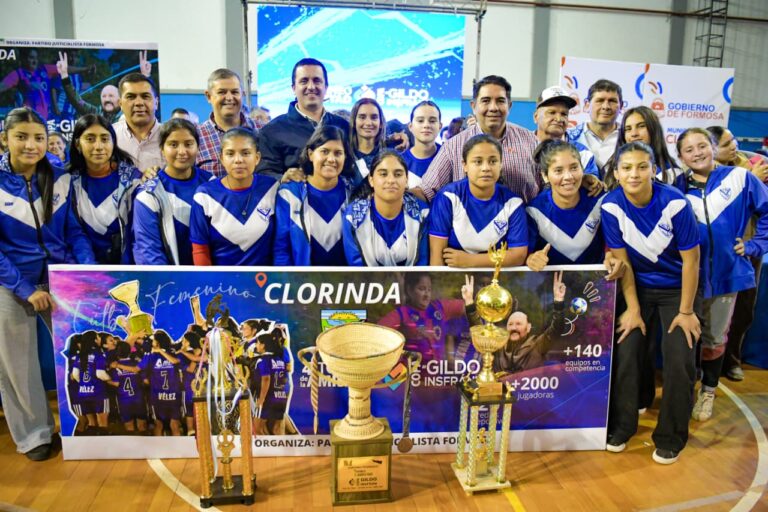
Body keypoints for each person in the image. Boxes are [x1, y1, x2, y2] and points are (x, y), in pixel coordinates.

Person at [0, 107, 95, 460]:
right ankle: (34, 435)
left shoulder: (61, 177)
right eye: (21, 137)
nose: (31, 145)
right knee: (17, 364)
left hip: (60, 277)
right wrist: (25, 289)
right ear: (4, 139)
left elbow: (73, 230)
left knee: (82, 352)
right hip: (11, 281)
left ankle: (88, 424)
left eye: (38, 138)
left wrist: (85, 269)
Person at [601, 141, 701, 465]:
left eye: (642, 167)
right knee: (626, 349)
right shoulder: (610, 206)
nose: (634, 174)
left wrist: (686, 311)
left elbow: (692, 262)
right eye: (627, 168)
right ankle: (622, 426)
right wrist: (632, 309)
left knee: (679, 358)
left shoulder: (675, 203)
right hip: (638, 288)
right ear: (617, 173)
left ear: (654, 170)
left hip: (678, 291)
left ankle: (671, 436)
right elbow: (623, 263)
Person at [678, 128, 768, 421]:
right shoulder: (677, 187)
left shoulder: (740, 178)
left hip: (727, 275)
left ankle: (708, 391)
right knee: (687, 338)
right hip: (687, 279)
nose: (697, 153)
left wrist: (755, 245)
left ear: (712, 147)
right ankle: (686, 388)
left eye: (702, 146)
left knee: (715, 337)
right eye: (689, 149)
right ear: (681, 157)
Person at [416, 75, 540, 203]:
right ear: (473, 106)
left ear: (509, 106)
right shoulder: (453, 146)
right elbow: (426, 191)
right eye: (486, 101)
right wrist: (404, 195)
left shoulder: (531, 142)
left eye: (500, 101)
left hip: (520, 215)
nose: (493, 108)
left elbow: (547, 190)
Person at [707, 126, 768, 382]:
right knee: (711, 314)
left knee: (743, 309)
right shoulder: (704, 174)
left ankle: (732, 360)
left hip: (747, 250)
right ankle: (703, 364)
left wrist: (756, 245)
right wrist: (750, 178)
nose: (734, 146)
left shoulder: (755, 163)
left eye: (733, 139)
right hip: (715, 254)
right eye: (726, 144)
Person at [525, 140, 623, 278]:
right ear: (545, 176)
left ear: (582, 169)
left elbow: (612, 244)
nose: (568, 177)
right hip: (551, 285)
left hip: (598, 284)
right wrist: (531, 259)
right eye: (558, 171)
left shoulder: (601, 200)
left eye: (574, 168)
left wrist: (610, 255)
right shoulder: (534, 211)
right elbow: (526, 255)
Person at [429, 134, 528, 268]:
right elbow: (436, 258)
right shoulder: (448, 197)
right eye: (478, 162)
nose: (486, 168)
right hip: (452, 277)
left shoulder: (513, 203)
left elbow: (518, 256)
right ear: (465, 165)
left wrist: (470, 260)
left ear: (501, 164)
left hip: (499, 278)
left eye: (493, 161)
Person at [190, 128, 279, 265]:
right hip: (221, 278)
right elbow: (200, 250)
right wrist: (208, 278)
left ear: (257, 158)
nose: (238, 160)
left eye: (246, 153)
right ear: (221, 158)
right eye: (230, 154)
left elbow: (281, 244)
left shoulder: (272, 187)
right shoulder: (204, 195)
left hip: (265, 277)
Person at [133, 118, 212, 265]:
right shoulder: (149, 194)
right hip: (168, 277)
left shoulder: (212, 184)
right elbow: (149, 253)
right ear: (162, 149)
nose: (182, 151)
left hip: (212, 277)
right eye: (173, 144)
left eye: (188, 144)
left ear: (198, 147)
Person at [256, 58, 350, 179]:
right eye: (304, 81)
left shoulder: (342, 126)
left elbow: (351, 169)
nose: (311, 87)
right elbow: (264, 174)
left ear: (326, 87)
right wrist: (283, 179)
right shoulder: (272, 131)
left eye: (317, 81)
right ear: (293, 88)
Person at [68, 114, 143, 264]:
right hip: (84, 268)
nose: (98, 147)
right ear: (77, 144)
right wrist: (90, 269)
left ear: (113, 142)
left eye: (105, 139)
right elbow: (73, 232)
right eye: (90, 139)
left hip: (128, 268)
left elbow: (138, 234)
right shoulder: (68, 182)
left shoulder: (133, 180)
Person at [274, 125, 353, 266]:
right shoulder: (289, 194)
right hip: (301, 279)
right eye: (324, 151)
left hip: (347, 279)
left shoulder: (352, 194)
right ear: (310, 154)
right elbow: (281, 250)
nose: (331, 159)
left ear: (345, 157)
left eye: (338, 153)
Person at [343, 150, 430, 266]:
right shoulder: (353, 216)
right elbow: (357, 267)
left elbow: (422, 264)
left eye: (398, 174)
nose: (391, 180)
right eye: (383, 174)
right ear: (371, 180)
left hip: (414, 278)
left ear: (406, 180)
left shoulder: (422, 213)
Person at [378, 272, 473, 362]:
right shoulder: (401, 314)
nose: (427, 295)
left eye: (429, 290)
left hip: (438, 372)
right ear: (409, 290)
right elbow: (377, 333)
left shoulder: (439, 307)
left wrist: (469, 298)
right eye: (422, 289)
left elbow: (469, 307)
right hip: (413, 372)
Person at [489, 272, 566, 374]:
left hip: (532, 384)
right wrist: (470, 305)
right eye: (510, 324)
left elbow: (556, 329)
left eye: (518, 324)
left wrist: (558, 302)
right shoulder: (498, 347)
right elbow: (480, 333)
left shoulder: (538, 345)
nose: (514, 328)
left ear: (528, 327)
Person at [533, 86, 602, 184]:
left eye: (564, 114)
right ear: (536, 117)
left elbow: (591, 189)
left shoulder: (582, 153)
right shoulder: (521, 147)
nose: (558, 119)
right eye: (552, 112)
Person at [196, 69, 257, 178]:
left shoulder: (262, 130)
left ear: (242, 94)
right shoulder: (196, 137)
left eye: (235, 92)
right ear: (208, 96)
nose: (229, 98)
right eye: (222, 92)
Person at [606, 106, 684, 190]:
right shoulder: (611, 167)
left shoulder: (673, 173)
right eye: (628, 129)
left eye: (641, 126)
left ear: (654, 129)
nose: (634, 134)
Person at [568, 79, 623, 170]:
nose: (606, 107)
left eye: (612, 101)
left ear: (621, 106)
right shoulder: (569, 137)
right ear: (587, 105)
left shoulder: (629, 137)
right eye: (600, 101)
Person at [55, 51, 123, 124]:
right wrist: (64, 75)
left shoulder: (126, 117)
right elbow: (77, 101)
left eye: (111, 96)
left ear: (119, 99)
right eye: (104, 96)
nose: (107, 99)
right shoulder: (95, 113)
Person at [113, 73, 164, 170]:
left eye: (145, 96)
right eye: (131, 97)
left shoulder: (171, 137)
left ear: (156, 103)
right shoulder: (110, 136)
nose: (139, 103)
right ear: (120, 104)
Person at [140, 330, 182, 436]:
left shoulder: (162, 354)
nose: (152, 342)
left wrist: (159, 351)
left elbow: (175, 361)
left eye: (153, 340)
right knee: (162, 424)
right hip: (167, 395)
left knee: (170, 424)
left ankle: (165, 446)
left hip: (163, 395)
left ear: (158, 342)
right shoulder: (155, 355)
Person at [72, 330, 114, 435]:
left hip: (83, 393)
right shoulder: (98, 354)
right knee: (102, 423)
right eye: (98, 337)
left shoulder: (80, 355)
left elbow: (75, 374)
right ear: (94, 340)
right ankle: (103, 443)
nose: (100, 339)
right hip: (98, 393)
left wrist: (84, 384)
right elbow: (100, 374)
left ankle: (91, 443)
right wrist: (109, 379)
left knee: (91, 423)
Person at [253, 330, 289, 435]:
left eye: (257, 343)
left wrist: (261, 399)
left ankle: (264, 447)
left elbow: (266, 379)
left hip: (268, 398)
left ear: (263, 345)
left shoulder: (263, 360)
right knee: (277, 428)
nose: (256, 346)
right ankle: (279, 446)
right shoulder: (280, 360)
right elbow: (285, 379)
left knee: (257, 428)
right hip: (281, 397)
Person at [402, 100, 442, 189]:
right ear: (410, 126)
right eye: (420, 121)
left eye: (432, 121)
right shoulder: (399, 161)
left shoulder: (449, 157)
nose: (426, 125)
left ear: (440, 126)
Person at [350, 98, 387, 184]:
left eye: (374, 117)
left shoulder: (390, 154)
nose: (368, 123)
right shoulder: (345, 155)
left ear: (381, 123)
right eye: (362, 117)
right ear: (354, 122)